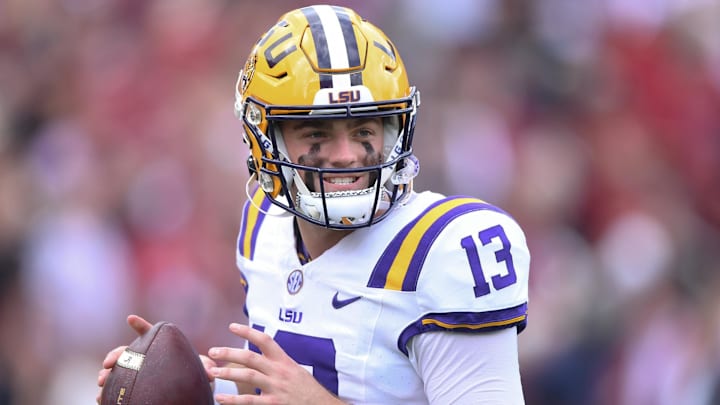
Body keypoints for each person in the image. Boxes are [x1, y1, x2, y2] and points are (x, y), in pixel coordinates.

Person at [97, 4, 530, 404]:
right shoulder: (263, 224)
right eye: (317, 133)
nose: (346, 154)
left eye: (364, 130)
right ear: (264, 140)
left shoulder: (445, 248)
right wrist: (192, 389)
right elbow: (283, 388)